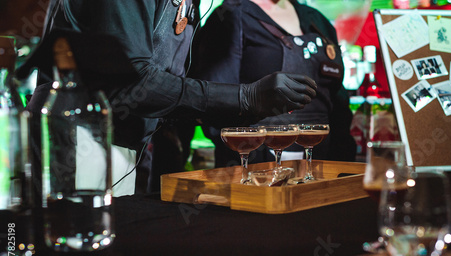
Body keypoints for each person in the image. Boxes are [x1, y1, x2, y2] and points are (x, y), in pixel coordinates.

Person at [20, 0, 317, 196]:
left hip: (125, 147)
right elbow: (131, 81)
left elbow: (162, 83)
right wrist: (245, 98)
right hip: (78, 143)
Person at [190, 0, 356, 167]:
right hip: (256, 165)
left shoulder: (317, 19)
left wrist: (343, 158)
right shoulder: (230, 16)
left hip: (323, 163)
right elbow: (217, 104)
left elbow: (338, 102)